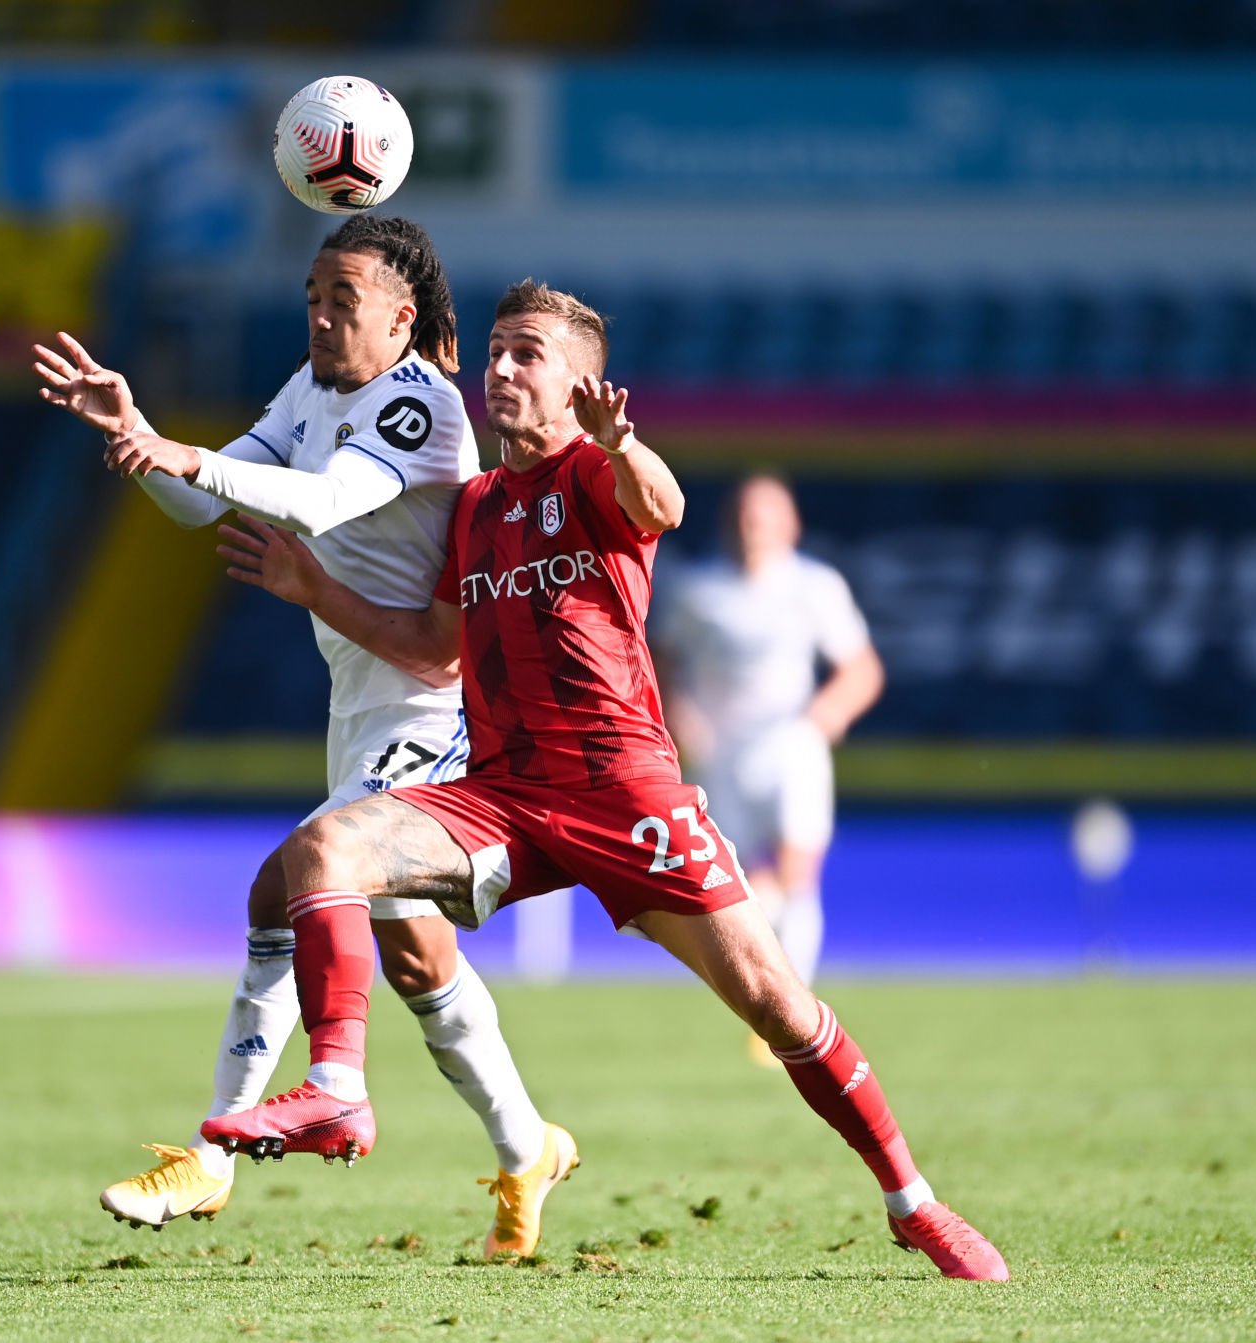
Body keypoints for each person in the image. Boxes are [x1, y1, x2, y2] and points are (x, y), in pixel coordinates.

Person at [201, 280, 1008, 1282]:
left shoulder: (592, 472)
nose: (499, 368)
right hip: (503, 794)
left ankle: (911, 1201)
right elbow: (434, 647)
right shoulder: (476, 509)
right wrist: (316, 589)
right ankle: (337, 1084)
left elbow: (659, 505)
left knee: (779, 1005)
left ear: (579, 382)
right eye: (494, 350)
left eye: (526, 354)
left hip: (626, 795)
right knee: (321, 847)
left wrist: (622, 443)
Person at [31, 216, 575, 1260]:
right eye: (314, 297)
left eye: (345, 300)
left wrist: (182, 450)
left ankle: (211, 1154)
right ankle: (527, 1146)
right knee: (416, 957)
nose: (323, 316)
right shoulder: (307, 390)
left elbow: (324, 502)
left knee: (283, 885)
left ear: (401, 316)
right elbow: (198, 507)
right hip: (358, 701)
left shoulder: (417, 403)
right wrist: (137, 431)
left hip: (436, 710)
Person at [654, 476, 885, 1058]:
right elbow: (659, 662)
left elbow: (862, 670)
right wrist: (680, 717)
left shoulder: (815, 586)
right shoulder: (698, 591)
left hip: (790, 745)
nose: (753, 526)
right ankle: (770, 998)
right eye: (745, 515)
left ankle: (790, 1016)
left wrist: (819, 722)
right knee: (739, 889)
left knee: (797, 873)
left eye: (766, 515)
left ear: (791, 525)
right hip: (720, 754)